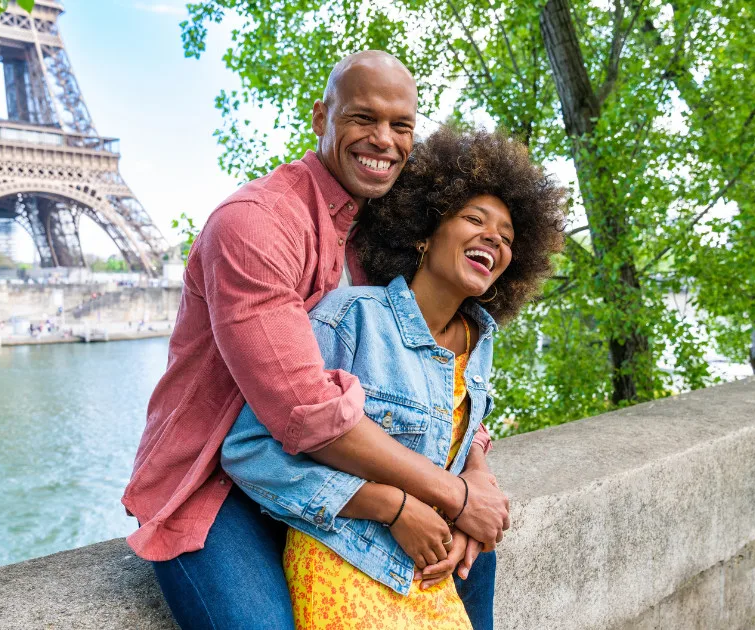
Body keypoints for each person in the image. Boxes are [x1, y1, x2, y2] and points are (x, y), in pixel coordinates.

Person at [123, 51, 512, 629]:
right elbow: (306, 414)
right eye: (363, 118)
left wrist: (473, 468)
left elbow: (435, 376)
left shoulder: (381, 239)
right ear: (320, 117)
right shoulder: (255, 223)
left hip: (332, 471)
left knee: (473, 563)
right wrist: (444, 497)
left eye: (401, 126)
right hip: (218, 482)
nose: (383, 140)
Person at [222, 126, 566, 628]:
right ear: (425, 232)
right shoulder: (350, 320)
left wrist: (472, 492)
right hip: (343, 564)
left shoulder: (478, 345)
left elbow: (448, 442)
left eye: (508, 237)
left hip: (425, 574)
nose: (494, 236)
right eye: (474, 218)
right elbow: (251, 448)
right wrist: (392, 506)